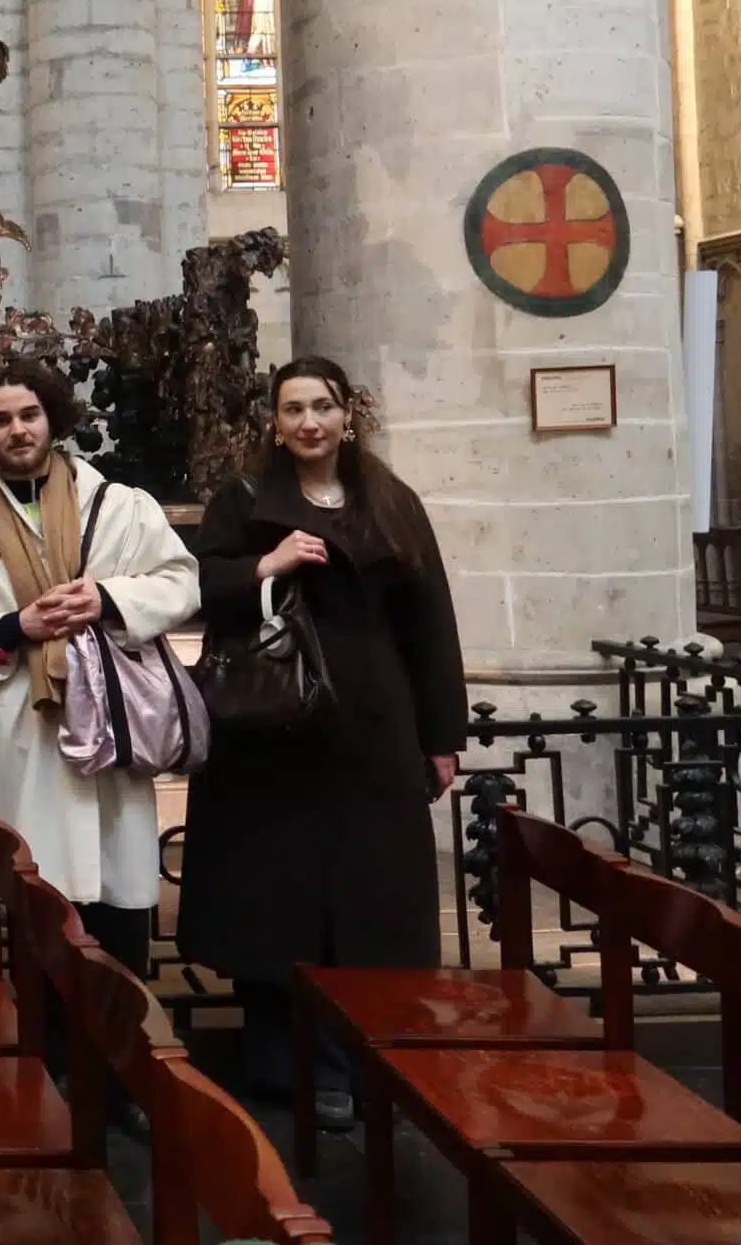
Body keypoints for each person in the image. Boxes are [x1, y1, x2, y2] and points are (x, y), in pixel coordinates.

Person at [179, 356, 467, 1133]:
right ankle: (291, 1064)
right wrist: (264, 566)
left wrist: (442, 736)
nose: (309, 421)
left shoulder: (392, 500)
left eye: (323, 406)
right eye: (293, 408)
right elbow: (198, 583)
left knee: (374, 903)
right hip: (271, 734)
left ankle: (366, 1056)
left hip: (373, 731)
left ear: (348, 414)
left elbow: (430, 622)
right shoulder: (243, 498)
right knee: (274, 902)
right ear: (274, 420)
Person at [0, 359, 200, 975]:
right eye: (0, 420)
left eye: (30, 414)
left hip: (107, 722)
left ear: (53, 419)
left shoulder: (122, 505)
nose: (17, 430)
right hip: (21, 729)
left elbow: (181, 582)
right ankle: (45, 1058)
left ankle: (121, 1052)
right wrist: (12, 627)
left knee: (115, 906)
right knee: (33, 904)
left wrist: (107, 600)